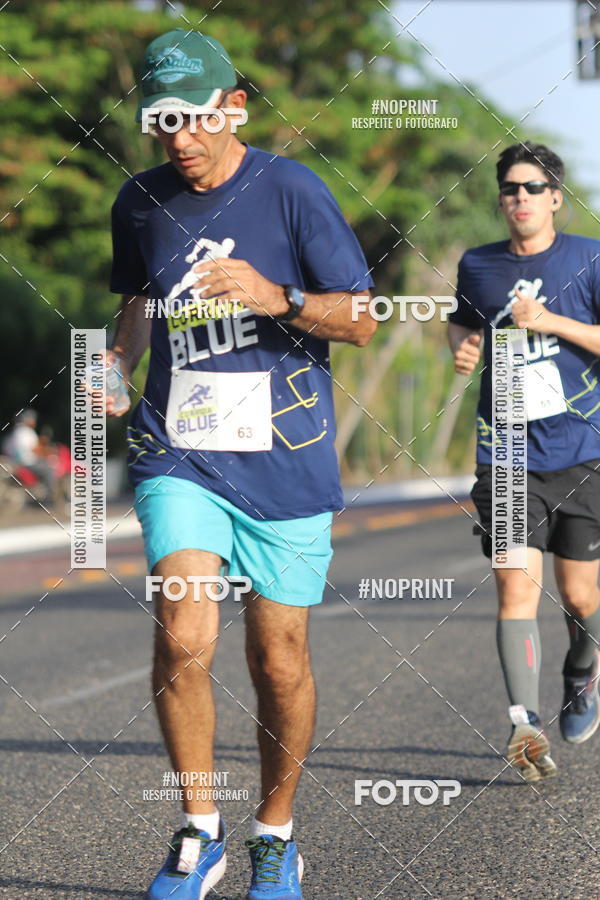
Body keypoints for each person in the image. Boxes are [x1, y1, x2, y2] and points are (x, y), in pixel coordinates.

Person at [107, 28, 375, 900]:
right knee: (184, 635)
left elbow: (362, 318)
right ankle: (199, 829)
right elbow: (139, 305)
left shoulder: (292, 190)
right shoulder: (140, 202)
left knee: (279, 659)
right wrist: (112, 366)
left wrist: (279, 297)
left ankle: (275, 833)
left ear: (234, 107)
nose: (179, 139)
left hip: (283, 460)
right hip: (176, 451)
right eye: (162, 123)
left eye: (194, 118)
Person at [448, 141, 600, 783]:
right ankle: (523, 722)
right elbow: (461, 323)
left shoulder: (589, 257)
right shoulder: (478, 265)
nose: (520, 198)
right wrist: (461, 348)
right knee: (516, 586)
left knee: (578, 593)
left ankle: (583, 672)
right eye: (510, 188)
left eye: (533, 188)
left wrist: (552, 322)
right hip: (506, 452)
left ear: (557, 198)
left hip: (583, 452)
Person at [2, 409, 57, 502]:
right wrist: (48, 451)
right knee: (49, 470)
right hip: (28, 463)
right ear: (28, 420)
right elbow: (34, 449)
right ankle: (48, 499)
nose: (34, 421)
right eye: (32, 419)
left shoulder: (15, 432)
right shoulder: (27, 432)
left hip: (14, 462)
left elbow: (6, 447)